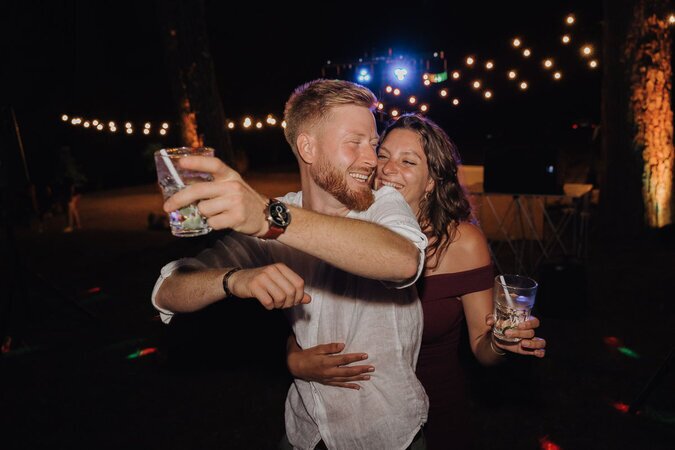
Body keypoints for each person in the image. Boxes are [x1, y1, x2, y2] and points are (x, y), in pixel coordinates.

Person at [152, 80, 430, 449]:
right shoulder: (276, 214)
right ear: (307, 147)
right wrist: (235, 279)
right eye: (355, 142)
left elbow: (403, 260)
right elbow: (168, 291)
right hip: (306, 429)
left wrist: (274, 219)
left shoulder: (382, 204)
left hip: (385, 434)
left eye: (373, 144)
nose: (371, 159)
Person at [286, 113, 547, 449]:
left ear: (432, 182)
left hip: (434, 416)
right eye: (383, 155)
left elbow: (482, 345)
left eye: (408, 161)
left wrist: (500, 343)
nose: (387, 169)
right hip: (339, 418)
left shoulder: (463, 243)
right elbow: (307, 317)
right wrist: (294, 358)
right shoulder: (346, 227)